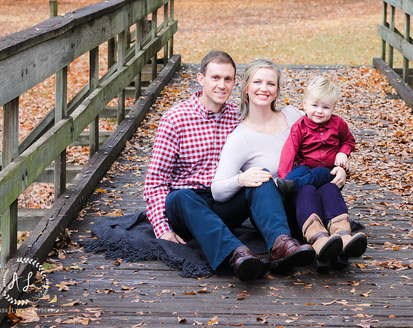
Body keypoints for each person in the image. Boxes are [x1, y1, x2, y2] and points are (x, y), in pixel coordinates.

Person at [143, 51, 313, 282]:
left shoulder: (238, 115)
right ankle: (236, 254)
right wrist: (162, 228)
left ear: (235, 82)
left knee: (259, 176)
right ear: (201, 79)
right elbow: (155, 181)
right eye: (215, 78)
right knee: (181, 197)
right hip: (186, 206)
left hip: (224, 200)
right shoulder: (175, 119)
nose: (222, 85)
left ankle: (280, 244)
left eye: (228, 79)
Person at [211, 59, 341, 270]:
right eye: (257, 82)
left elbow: (328, 142)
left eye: (271, 84)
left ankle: (335, 241)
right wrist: (241, 179)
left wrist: (341, 168)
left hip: (309, 199)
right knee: (263, 177)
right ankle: (282, 245)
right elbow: (217, 191)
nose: (264, 88)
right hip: (277, 211)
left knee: (314, 185)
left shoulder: (293, 116)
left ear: (278, 90)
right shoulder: (240, 137)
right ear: (246, 88)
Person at [277, 76, 367, 267]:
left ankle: (343, 237)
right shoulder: (300, 127)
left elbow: (348, 140)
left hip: (328, 173)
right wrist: (285, 179)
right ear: (305, 104)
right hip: (307, 170)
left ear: (333, 108)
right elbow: (289, 152)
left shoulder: (338, 124)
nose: (319, 111)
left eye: (326, 107)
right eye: (315, 105)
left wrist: (343, 153)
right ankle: (318, 240)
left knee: (331, 189)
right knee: (307, 189)